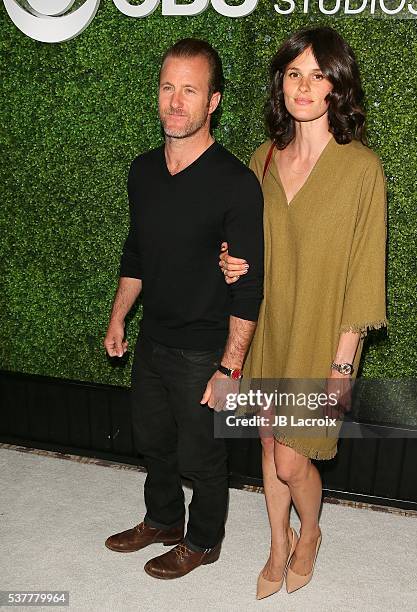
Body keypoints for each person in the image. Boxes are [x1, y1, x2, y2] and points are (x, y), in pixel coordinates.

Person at [220, 26, 387, 598]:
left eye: (319, 75)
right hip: (269, 323)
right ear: (281, 83)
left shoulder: (362, 169)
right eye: (295, 73)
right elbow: (251, 243)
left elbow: (365, 270)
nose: (305, 86)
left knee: (293, 462)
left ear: (338, 87)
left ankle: (310, 532)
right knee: (268, 443)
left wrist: (343, 366)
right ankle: (275, 544)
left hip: (322, 334)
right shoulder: (262, 157)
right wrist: (231, 262)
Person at [103, 38, 264, 580]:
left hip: (204, 349)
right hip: (153, 339)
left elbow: (249, 285)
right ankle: (165, 518)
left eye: (189, 90)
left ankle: (203, 539)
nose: (175, 101)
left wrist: (229, 368)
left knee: (202, 457)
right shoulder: (142, 171)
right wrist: (120, 314)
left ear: (212, 101)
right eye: (168, 87)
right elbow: (137, 251)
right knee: (154, 442)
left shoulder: (237, 184)